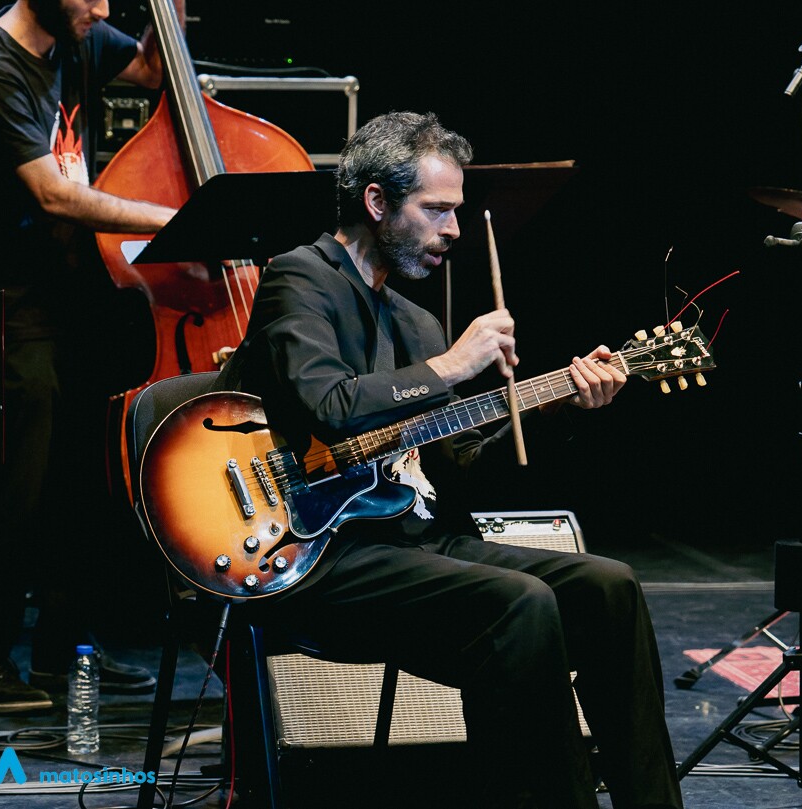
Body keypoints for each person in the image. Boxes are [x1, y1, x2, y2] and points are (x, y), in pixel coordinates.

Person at [216, 110, 684, 808]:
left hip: (411, 542)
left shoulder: (416, 321)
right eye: (437, 209)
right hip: (316, 552)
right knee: (519, 603)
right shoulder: (300, 278)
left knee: (607, 587)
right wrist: (453, 366)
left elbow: (458, 475)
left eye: (457, 211)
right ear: (377, 202)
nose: (455, 229)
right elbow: (327, 404)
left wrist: (553, 410)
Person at [0, 0, 185, 714]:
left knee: (82, 481)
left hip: (74, 293)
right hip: (9, 303)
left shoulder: (76, 33)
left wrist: (168, 10)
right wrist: (174, 221)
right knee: (20, 486)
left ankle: (62, 653)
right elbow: (54, 195)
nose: (103, 9)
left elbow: (153, 70)